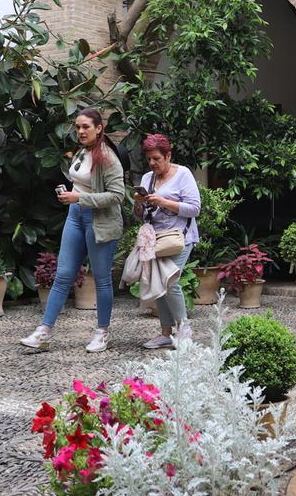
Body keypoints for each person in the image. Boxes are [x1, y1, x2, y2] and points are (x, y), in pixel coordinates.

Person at [21, 108, 125, 352]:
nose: (80, 131)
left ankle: (102, 333)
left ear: (99, 128)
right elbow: (81, 182)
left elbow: (118, 195)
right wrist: (71, 195)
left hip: (99, 221)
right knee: (63, 275)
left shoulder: (108, 157)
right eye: (78, 127)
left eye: (86, 127)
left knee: (101, 280)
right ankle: (44, 332)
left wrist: (80, 198)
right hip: (75, 216)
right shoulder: (81, 152)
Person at [134, 133, 200, 349]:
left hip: (180, 237)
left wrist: (163, 201)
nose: (152, 163)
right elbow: (141, 216)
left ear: (168, 155)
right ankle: (165, 333)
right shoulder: (147, 178)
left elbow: (194, 209)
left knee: (170, 282)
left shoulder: (183, 174)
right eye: (149, 159)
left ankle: (184, 331)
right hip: (157, 239)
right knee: (158, 284)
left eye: (157, 159)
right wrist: (139, 204)